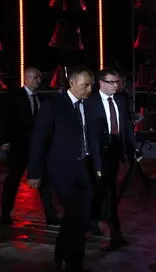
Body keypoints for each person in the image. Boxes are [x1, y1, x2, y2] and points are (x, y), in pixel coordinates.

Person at [28, 66, 101, 272]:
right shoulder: (53, 105)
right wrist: (35, 173)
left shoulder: (90, 106)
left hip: (84, 167)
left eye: (91, 85)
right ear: (72, 83)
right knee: (76, 213)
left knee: (81, 215)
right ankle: (74, 261)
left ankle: (63, 252)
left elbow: (93, 137)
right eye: (85, 85)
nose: (89, 89)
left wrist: (97, 165)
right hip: (61, 169)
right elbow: (39, 140)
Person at [1, 67, 59, 226]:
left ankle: (50, 215)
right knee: (13, 180)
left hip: (38, 147)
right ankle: (5, 214)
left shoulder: (40, 98)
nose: (38, 80)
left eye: (39, 78)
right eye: (35, 77)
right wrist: (4, 140)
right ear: (26, 78)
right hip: (20, 146)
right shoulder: (15, 97)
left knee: (45, 181)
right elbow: (4, 119)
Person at [85, 68, 136, 250]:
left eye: (117, 82)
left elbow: (127, 128)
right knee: (103, 192)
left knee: (110, 193)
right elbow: (89, 134)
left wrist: (133, 149)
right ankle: (104, 226)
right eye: (112, 82)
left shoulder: (121, 102)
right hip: (97, 154)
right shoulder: (90, 103)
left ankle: (110, 230)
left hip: (115, 152)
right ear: (101, 83)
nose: (116, 85)